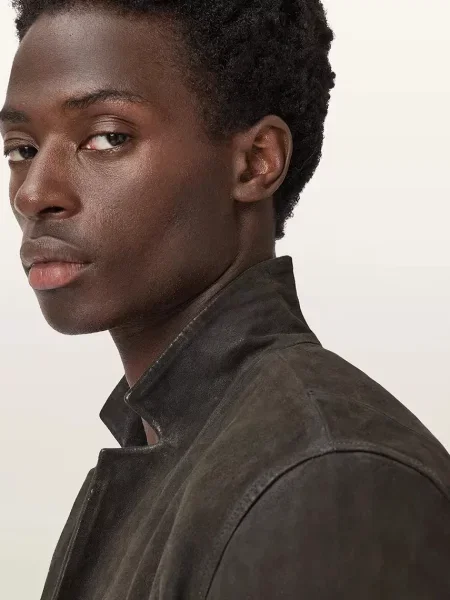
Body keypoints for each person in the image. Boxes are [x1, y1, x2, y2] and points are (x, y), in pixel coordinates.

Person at [1, 0, 449, 598]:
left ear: (256, 162)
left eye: (108, 137)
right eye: (21, 149)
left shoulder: (325, 475)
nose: (34, 194)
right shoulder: (175, 442)